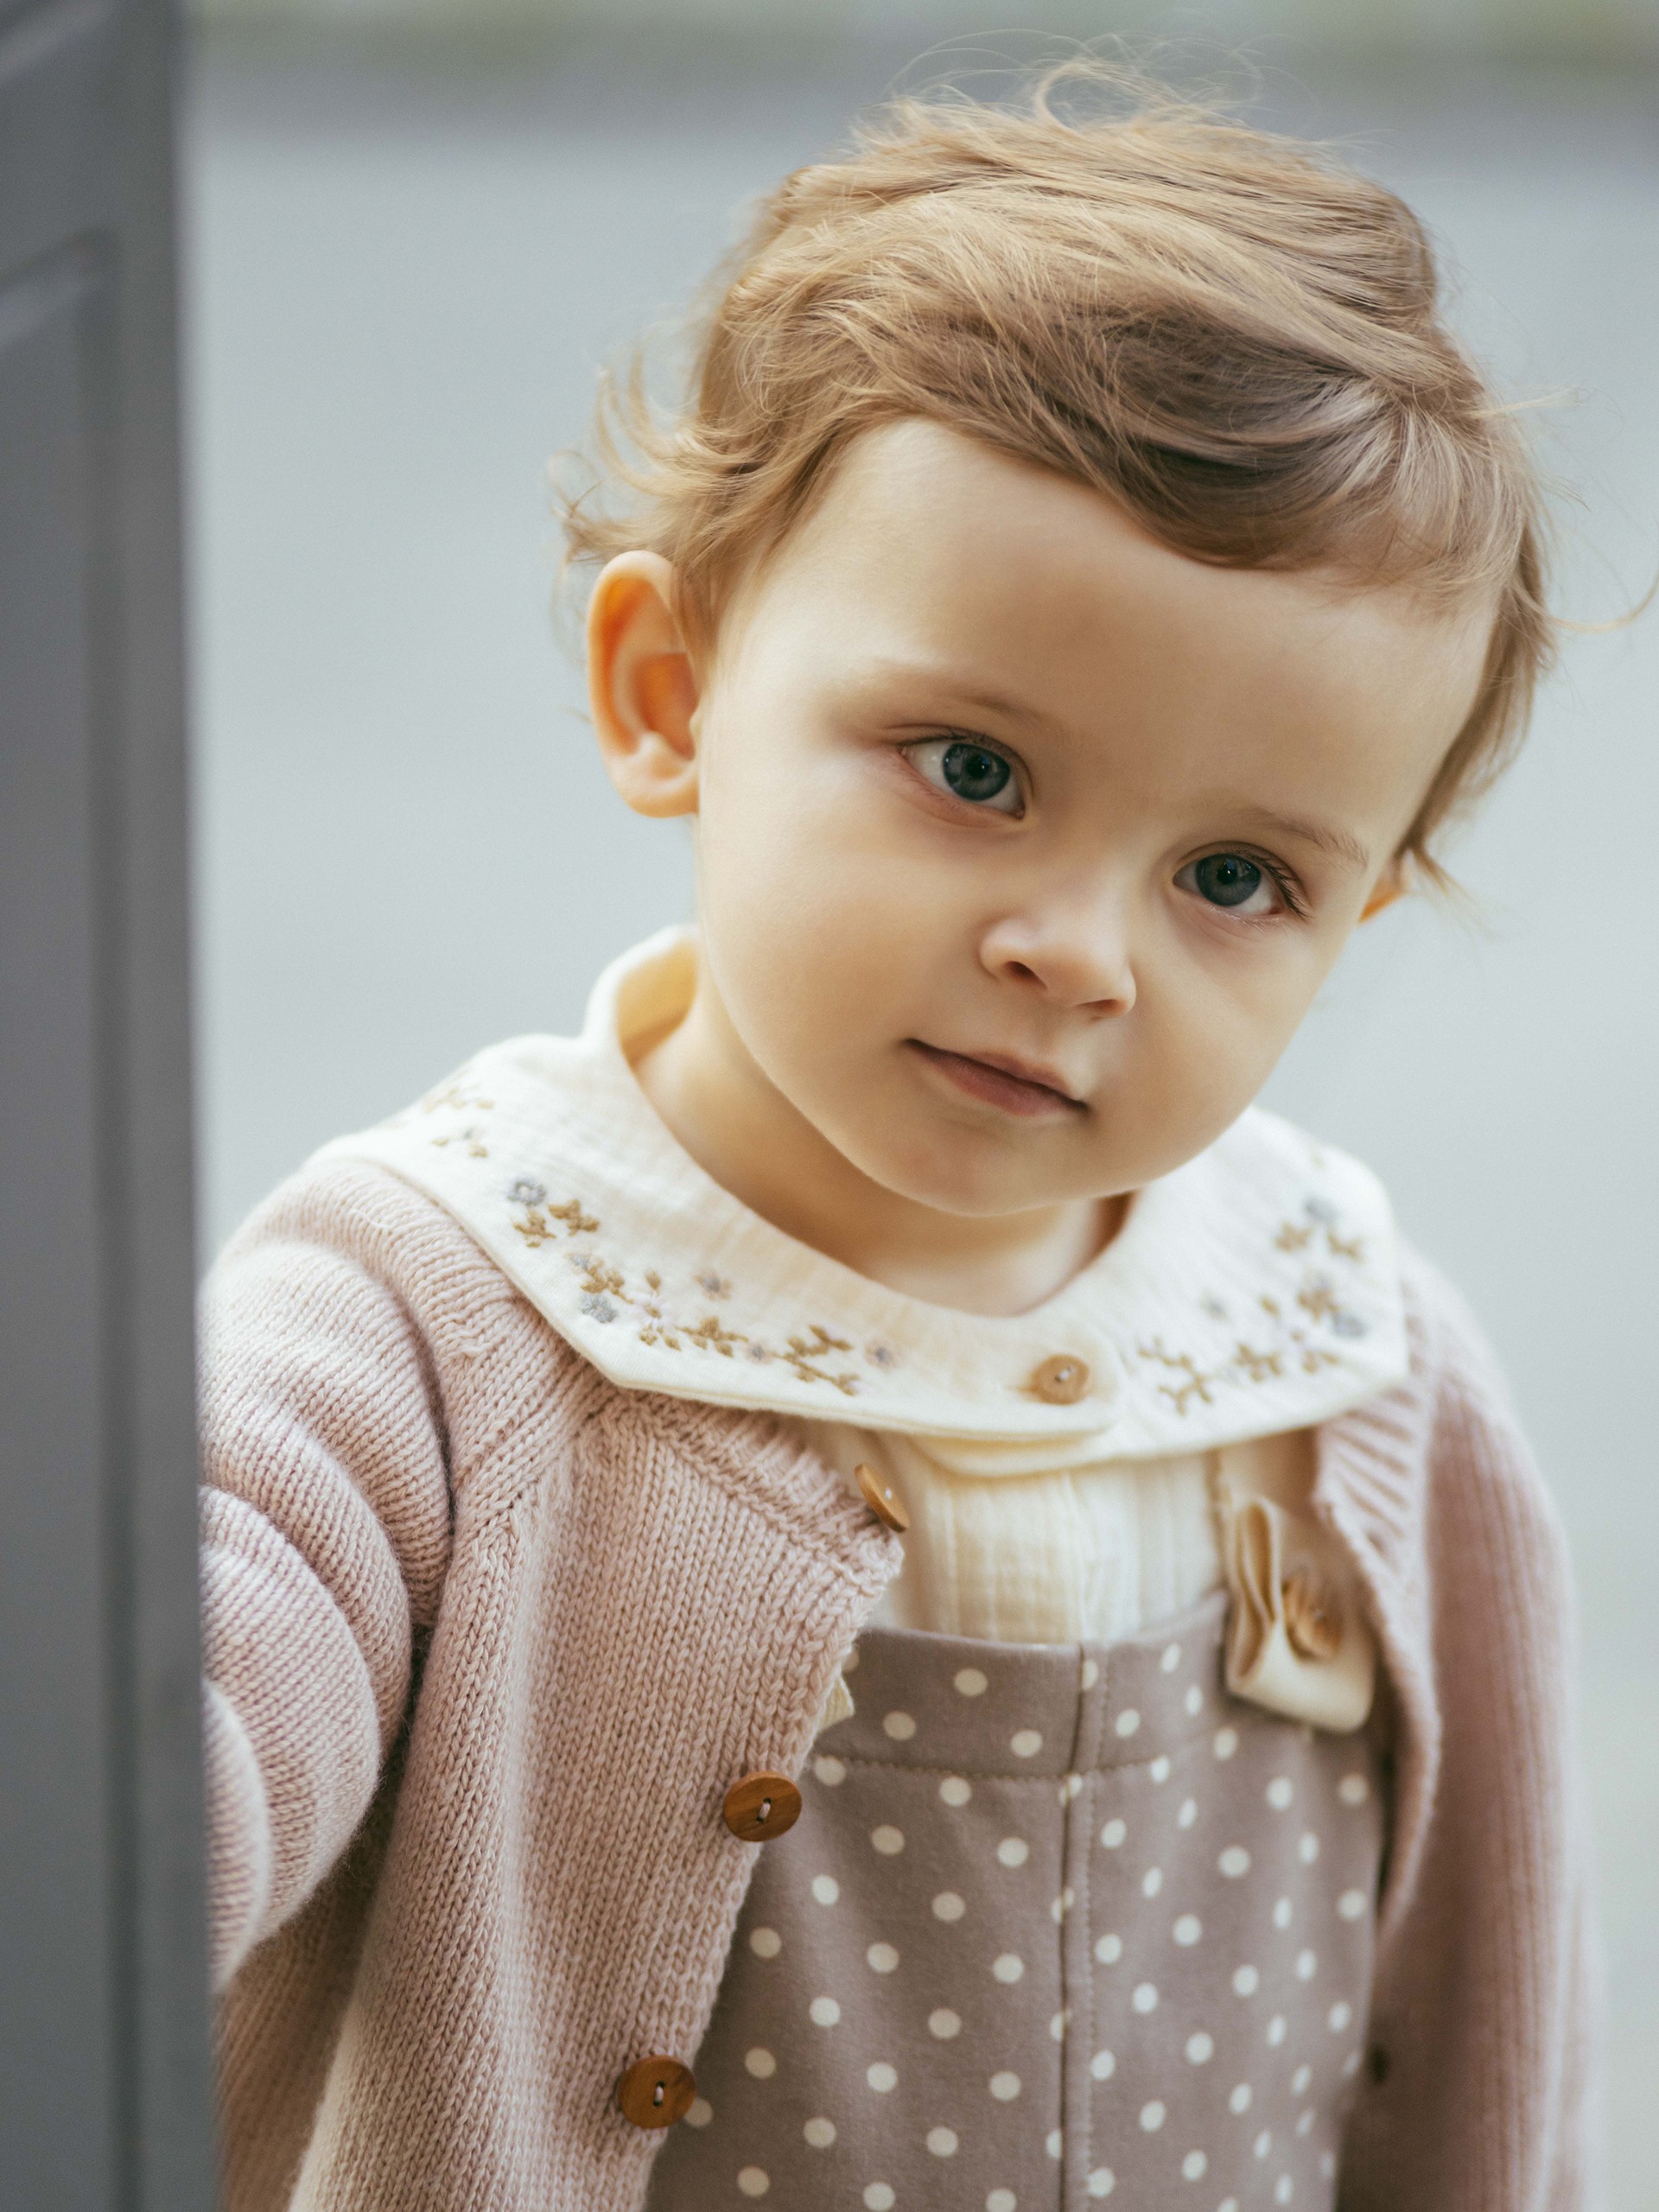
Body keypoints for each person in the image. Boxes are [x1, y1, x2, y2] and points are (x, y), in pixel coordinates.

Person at [200, 66, 1600, 2212]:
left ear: (1363, 906)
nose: (1076, 951)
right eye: (972, 764)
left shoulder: (1347, 1356)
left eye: (1236, 879)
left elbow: (1490, 2023)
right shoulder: (439, 1312)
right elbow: (178, 1687)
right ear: (670, 690)